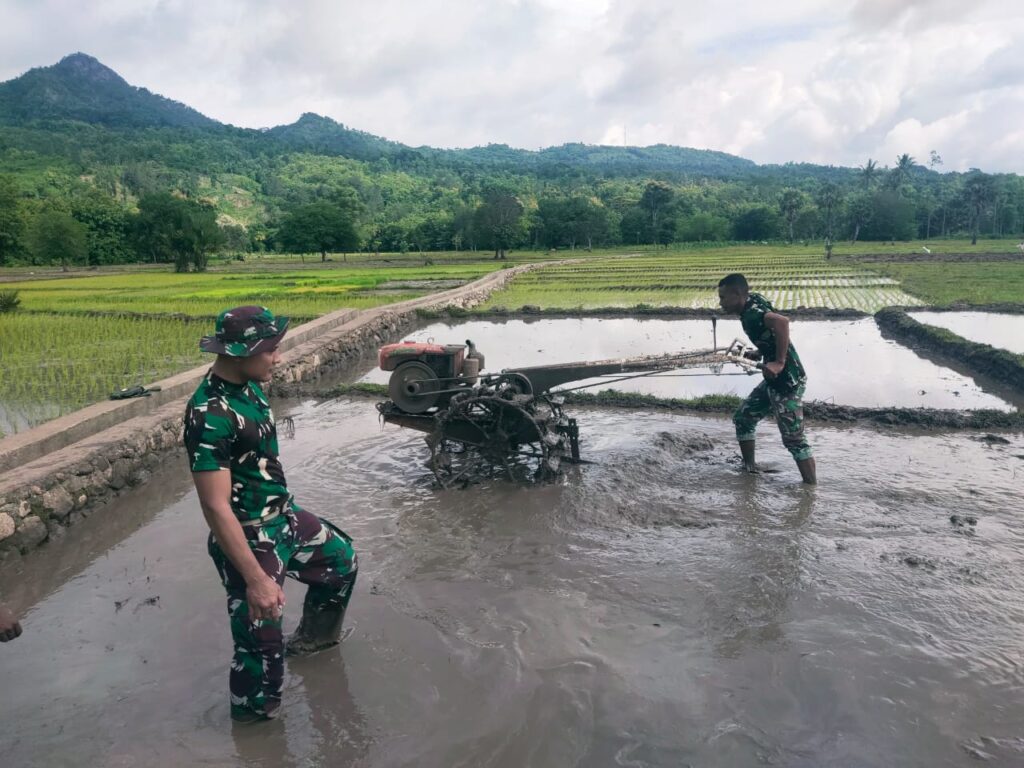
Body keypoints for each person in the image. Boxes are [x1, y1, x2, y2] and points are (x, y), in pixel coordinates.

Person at [184, 306, 358, 723]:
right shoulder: (210, 414)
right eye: (271, 350)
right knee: (261, 649)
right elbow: (215, 505)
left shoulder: (249, 387)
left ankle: (313, 643)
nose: (278, 358)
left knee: (341, 563)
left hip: (284, 517)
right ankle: (253, 730)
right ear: (240, 353)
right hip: (249, 536)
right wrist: (257, 580)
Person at [717, 274, 817, 484]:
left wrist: (779, 362)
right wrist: (760, 352)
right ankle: (750, 469)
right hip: (773, 381)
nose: (720, 302)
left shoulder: (753, 313)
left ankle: (811, 490)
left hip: (787, 381)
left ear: (737, 294)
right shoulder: (752, 302)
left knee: (794, 439)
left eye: (723, 297)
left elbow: (781, 322)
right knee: (743, 419)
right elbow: (769, 331)